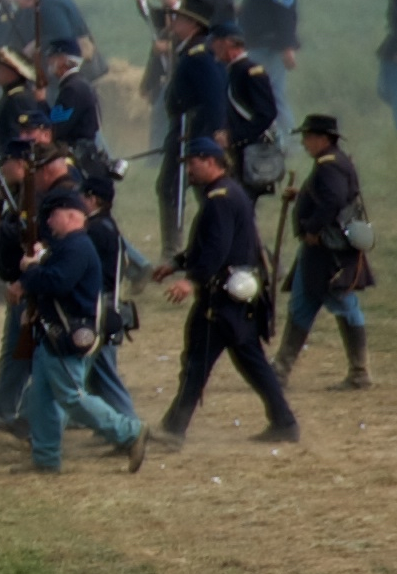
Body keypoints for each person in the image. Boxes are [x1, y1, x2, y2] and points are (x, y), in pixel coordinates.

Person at [157, 137, 299, 445]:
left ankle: (173, 429)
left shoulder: (220, 198)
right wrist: (178, 263)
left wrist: (191, 279)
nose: (189, 170)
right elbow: (213, 244)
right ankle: (284, 422)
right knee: (249, 362)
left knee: (197, 363)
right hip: (232, 298)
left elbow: (217, 248)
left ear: (210, 161)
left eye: (193, 163)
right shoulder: (227, 193)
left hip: (221, 299)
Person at [10, 192, 141, 472]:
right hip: (52, 332)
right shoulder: (67, 246)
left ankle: (130, 432)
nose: (48, 220)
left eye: (53, 214)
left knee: (72, 397)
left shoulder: (77, 246)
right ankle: (45, 459)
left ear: (71, 214)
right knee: (41, 397)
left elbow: (58, 283)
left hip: (68, 333)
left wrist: (30, 272)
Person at [276, 115, 371, 388]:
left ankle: (359, 371)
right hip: (319, 251)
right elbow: (326, 194)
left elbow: (333, 199)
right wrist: (302, 194)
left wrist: (314, 228)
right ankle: (281, 368)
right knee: (302, 303)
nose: (305, 143)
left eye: (308, 137)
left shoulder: (330, 165)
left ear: (323, 139)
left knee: (343, 301)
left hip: (329, 250)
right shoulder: (330, 163)